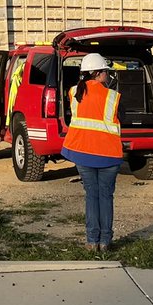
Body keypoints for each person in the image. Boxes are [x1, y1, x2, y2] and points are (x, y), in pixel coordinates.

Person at [61, 52, 123, 252]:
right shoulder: (112, 96)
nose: (107, 75)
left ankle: (91, 241)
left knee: (91, 196)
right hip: (108, 154)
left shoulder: (73, 92)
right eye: (105, 71)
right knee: (106, 197)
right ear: (98, 73)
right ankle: (105, 242)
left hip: (82, 152)